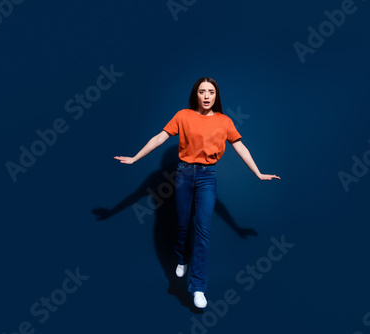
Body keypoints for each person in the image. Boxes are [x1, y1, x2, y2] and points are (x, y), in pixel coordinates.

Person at [114, 77, 280, 308]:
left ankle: (199, 287)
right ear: (196, 94)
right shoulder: (183, 116)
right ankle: (181, 257)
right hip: (182, 175)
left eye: (210, 92)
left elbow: (240, 146)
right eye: (202, 91)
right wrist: (134, 158)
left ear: (216, 95)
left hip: (207, 177)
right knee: (182, 225)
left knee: (203, 231)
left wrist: (258, 173)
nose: (206, 96)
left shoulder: (224, 121)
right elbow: (160, 137)